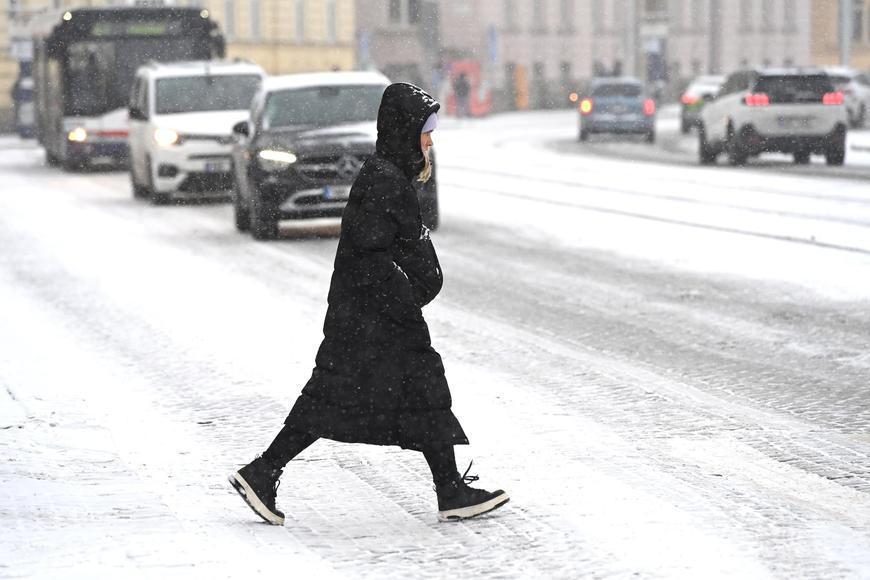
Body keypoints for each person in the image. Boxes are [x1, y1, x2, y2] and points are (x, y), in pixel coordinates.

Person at [229, 82, 508, 525]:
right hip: (372, 320)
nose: (430, 140)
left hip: (374, 317)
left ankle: (449, 489)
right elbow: (372, 257)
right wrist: (405, 300)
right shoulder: (381, 181)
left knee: (412, 393)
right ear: (404, 131)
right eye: (425, 130)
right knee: (339, 396)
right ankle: (265, 470)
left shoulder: (389, 177)